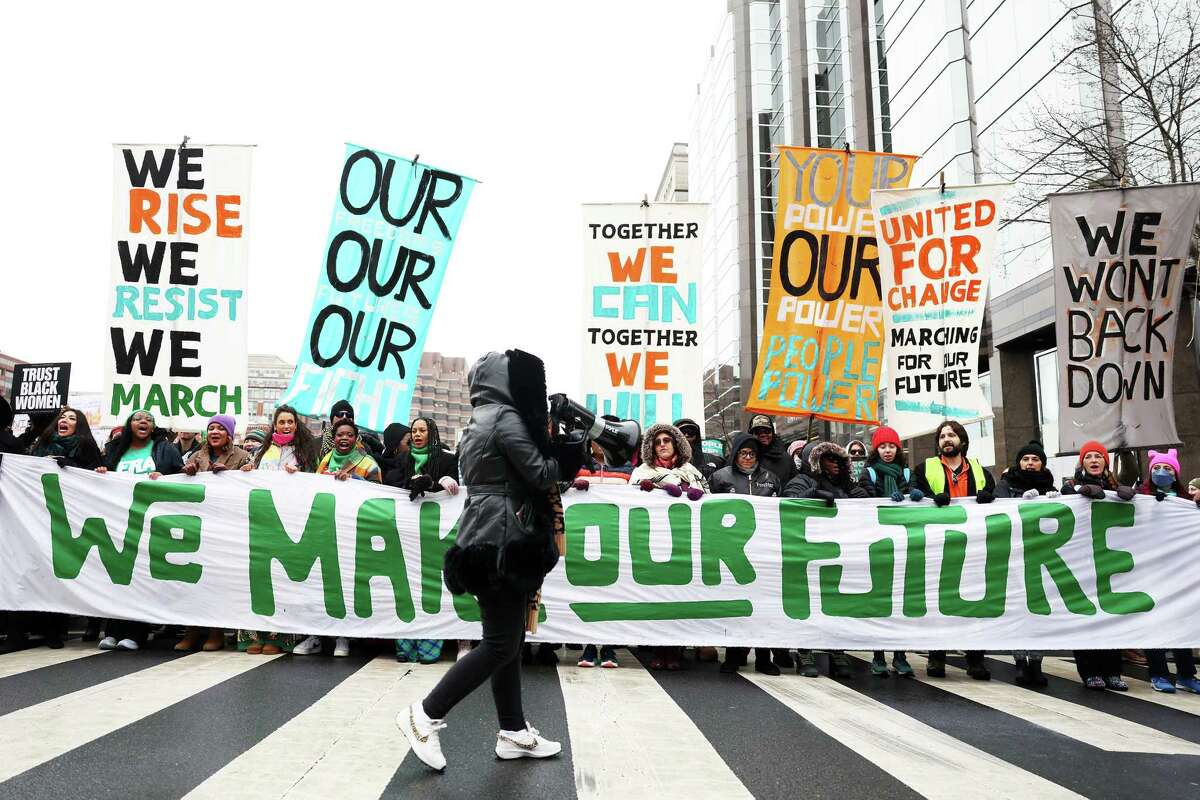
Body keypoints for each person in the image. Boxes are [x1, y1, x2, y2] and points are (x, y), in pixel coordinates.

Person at [399, 349, 584, 771]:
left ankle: (513, 731)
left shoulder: (479, 419)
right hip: (503, 539)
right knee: (501, 642)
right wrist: (572, 452)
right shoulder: (506, 418)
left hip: (486, 531)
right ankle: (424, 714)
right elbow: (540, 473)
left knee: (509, 640)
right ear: (505, 382)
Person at [911, 420, 996, 680]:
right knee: (940, 601)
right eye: (942, 436)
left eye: (951, 435)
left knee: (974, 601)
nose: (947, 439)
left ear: (962, 440)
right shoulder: (925, 467)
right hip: (938, 544)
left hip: (971, 545)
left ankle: (975, 659)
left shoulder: (980, 470)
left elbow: (995, 493)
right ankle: (937, 657)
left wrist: (988, 496)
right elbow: (913, 493)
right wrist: (928, 498)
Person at [93, 410, 184, 651]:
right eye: (137, 418)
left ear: (154, 427)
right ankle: (113, 631)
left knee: (141, 577)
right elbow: (100, 476)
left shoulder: (166, 450)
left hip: (150, 523)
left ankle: (136, 632)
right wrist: (102, 472)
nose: (143, 421)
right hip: (118, 521)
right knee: (117, 576)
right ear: (129, 425)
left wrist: (165, 477)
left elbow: (183, 479)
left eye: (148, 419)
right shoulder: (114, 450)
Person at [236, 405, 319, 654]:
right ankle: (252, 635)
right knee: (256, 574)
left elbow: (316, 480)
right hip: (262, 519)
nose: (285, 426)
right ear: (275, 424)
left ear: (296, 425)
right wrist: (247, 472)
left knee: (283, 577)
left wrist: (301, 474)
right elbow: (250, 477)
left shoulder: (305, 452)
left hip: (291, 522)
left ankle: (279, 636)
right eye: (281, 422)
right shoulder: (262, 451)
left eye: (290, 422)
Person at [782, 440, 868, 678]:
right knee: (807, 605)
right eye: (829, 459)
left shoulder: (847, 485)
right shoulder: (801, 481)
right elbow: (788, 503)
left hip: (839, 555)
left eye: (838, 459)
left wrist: (866, 496)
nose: (836, 464)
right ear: (817, 462)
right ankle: (805, 651)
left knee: (835, 604)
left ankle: (836, 649)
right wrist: (813, 494)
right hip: (809, 554)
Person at [629, 422, 707, 670]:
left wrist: (694, 493)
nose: (662, 445)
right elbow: (628, 502)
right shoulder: (642, 471)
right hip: (654, 540)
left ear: (676, 444)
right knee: (658, 594)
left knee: (679, 594)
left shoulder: (692, 471)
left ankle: (675, 650)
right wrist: (651, 489)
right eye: (658, 441)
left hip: (684, 540)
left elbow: (708, 496)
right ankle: (659, 648)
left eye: (667, 440)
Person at [1060, 440, 1135, 690]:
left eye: (1098, 456)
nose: (1093, 460)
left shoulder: (1114, 487)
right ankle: (1089, 670)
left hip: (1108, 560)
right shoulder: (1070, 486)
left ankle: (1113, 670)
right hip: (1081, 561)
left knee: (1111, 614)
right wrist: (1078, 493)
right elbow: (1060, 504)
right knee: (1086, 614)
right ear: (1082, 462)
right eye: (1089, 457)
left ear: (1105, 461)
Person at [713, 434, 790, 676]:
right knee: (736, 605)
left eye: (752, 454)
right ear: (735, 454)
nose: (748, 458)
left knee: (763, 605)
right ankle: (734, 655)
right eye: (743, 453)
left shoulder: (771, 479)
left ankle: (763, 657)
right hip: (732, 552)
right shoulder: (720, 477)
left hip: (764, 552)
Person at [176, 415, 252, 652]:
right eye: (211, 428)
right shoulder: (197, 456)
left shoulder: (241, 456)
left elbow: (251, 485)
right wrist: (187, 472)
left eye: (221, 428)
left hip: (227, 527)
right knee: (194, 578)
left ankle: (216, 631)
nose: (215, 432)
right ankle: (192, 630)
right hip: (200, 525)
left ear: (229, 434)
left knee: (218, 580)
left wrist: (235, 475)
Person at [387, 416, 459, 663]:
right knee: (407, 586)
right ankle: (405, 644)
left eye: (422, 430)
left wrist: (437, 484)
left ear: (432, 433)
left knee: (432, 587)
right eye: (414, 431)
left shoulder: (448, 460)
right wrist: (413, 482)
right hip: (407, 534)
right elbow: (392, 484)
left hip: (435, 535)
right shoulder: (401, 460)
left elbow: (455, 489)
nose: (417, 434)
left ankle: (430, 644)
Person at [994, 441, 1061, 687]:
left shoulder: (1051, 488)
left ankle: (1037, 662)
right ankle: (1020, 662)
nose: (1030, 463)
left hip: (1042, 558)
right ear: (1018, 462)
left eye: (1035, 459)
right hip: (1014, 557)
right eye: (1025, 459)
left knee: (1038, 612)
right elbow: (995, 511)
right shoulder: (1005, 485)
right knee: (1018, 610)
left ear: (1042, 463)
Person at [856, 426, 922, 677]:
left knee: (900, 601)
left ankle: (900, 655)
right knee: (879, 601)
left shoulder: (907, 472)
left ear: (898, 449)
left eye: (891, 446)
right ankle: (878, 654)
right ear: (876, 449)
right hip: (878, 545)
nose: (887, 451)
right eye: (883, 446)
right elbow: (864, 500)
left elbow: (914, 493)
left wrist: (914, 496)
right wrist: (883, 500)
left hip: (902, 544)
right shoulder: (869, 473)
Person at [748, 414, 795, 484]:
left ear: (772, 433)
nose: (763, 435)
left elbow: (794, 483)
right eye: (758, 432)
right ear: (751, 435)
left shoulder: (785, 458)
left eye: (767, 431)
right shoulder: (745, 458)